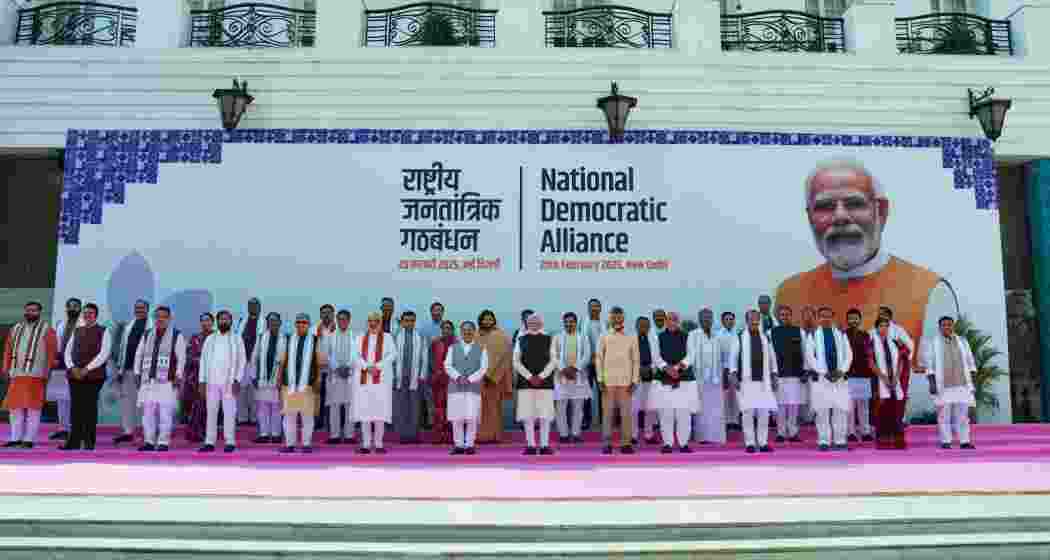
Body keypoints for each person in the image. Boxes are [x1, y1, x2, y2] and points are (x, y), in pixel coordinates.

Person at [775, 158, 957, 369]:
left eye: (854, 204)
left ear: (881, 211)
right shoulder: (788, 294)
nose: (840, 217)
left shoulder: (931, 293)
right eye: (825, 207)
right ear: (809, 217)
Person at [2, 302, 58, 449]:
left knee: (33, 408)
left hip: (36, 374)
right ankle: (15, 438)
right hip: (17, 373)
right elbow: (8, 350)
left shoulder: (47, 330)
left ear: (39, 313)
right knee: (15, 408)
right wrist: (5, 368)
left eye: (34, 311)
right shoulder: (16, 328)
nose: (30, 313)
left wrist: (47, 372)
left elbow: (52, 352)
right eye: (28, 310)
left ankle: (29, 439)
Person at [133, 306, 186, 452]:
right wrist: (137, 373)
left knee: (165, 413)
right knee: (147, 413)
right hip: (148, 380)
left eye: (164, 316)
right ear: (154, 318)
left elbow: (182, 358)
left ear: (169, 319)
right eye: (158, 316)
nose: (160, 319)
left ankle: (163, 442)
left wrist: (179, 375)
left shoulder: (176, 335)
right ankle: (149, 441)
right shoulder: (147, 334)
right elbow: (139, 354)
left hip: (167, 381)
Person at [60, 303, 111, 451]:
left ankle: (89, 442)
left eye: (91, 313)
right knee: (75, 409)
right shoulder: (77, 331)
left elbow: (104, 353)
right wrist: (72, 368)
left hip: (94, 376)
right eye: (85, 312)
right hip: (74, 375)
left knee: (89, 408)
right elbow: (67, 352)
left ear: (96, 315)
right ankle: (73, 442)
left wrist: (86, 369)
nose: (87, 315)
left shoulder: (104, 331)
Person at [923, 316, 977, 450]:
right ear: (939, 327)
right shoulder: (933, 343)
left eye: (949, 325)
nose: (947, 327)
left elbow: (970, 362)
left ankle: (964, 441)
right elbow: (929, 365)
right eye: (944, 325)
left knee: (963, 415)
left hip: (962, 383)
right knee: (943, 415)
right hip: (943, 385)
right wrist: (932, 383)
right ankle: (946, 441)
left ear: (953, 326)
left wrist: (972, 381)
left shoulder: (962, 341)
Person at [198, 310, 247, 453]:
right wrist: (202, 381)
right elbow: (203, 361)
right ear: (217, 322)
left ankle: (230, 441)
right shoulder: (210, 339)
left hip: (229, 383)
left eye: (226, 319)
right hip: (211, 382)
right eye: (221, 319)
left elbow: (242, 361)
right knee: (211, 412)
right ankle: (209, 442)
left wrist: (238, 379)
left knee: (229, 413)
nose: (223, 322)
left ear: (231, 321)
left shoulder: (237, 339)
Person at [806, 307, 854, 451]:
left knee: (840, 410)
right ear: (818, 318)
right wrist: (823, 372)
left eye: (828, 316)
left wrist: (842, 370)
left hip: (839, 378)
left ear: (833, 317)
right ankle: (824, 441)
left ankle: (840, 441)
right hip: (822, 379)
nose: (825, 319)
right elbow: (810, 356)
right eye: (822, 316)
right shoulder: (813, 335)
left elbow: (849, 354)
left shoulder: (841, 334)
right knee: (822, 411)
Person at [731, 310, 779, 453]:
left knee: (764, 413)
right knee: (748, 413)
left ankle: (763, 443)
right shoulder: (739, 337)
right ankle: (750, 443)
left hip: (764, 382)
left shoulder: (766, 337)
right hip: (746, 382)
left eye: (757, 319)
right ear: (746, 320)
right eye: (751, 319)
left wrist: (774, 374)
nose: (754, 321)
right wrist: (733, 375)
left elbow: (772, 358)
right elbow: (733, 358)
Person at [279, 313, 327, 453]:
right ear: (295, 324)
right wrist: (278, 378)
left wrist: (318, 379)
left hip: (308, 384)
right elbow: (282, 361)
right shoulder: (288, 339)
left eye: (304, 322)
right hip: (290, 384)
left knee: (307, 416)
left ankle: (306, 444)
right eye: (299, 322)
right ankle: (290, 444)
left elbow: (320, 362)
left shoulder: (316, 340)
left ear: (308, 325)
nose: (301, 325)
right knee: (289, 416)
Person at [652, 312, 698, 453]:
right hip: (664, 378)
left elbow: (691, 355)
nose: (672, 322)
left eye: (675, 319)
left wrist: (677, 368)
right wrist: (667, 368)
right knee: (666, 413)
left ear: (678, 321)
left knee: (683, 413)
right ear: (665, 321)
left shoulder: (687, 336)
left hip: (684, 379)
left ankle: (683, 444)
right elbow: (656, 356)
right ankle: (668, 444)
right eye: (670, 319)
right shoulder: (658, 337)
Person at [596, 306, 639, 455]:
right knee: (607, 413)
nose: (616, 319)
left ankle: (626, 443)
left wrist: (634, 380)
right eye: (613, 316)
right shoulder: (603, 336)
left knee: (626, 413)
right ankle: (606, 443)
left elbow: (635, 360)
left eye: (619, 316)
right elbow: (599, 359)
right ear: (609, 318)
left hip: (626, 381)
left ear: (623, 318)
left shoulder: (632, 336)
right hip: (607, 381)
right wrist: (600, 379)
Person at [353, 311, 396, 454]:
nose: (373, 323)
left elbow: (392, 355)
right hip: (364, 380)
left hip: (381, 381)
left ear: (380, 322)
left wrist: (377, 367)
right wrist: (366, 366)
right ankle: (365, 444)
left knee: (379, 413)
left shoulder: (388, 338)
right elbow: (354, 356)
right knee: (365, 413)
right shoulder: (360, 338)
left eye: (376, 321)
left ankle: (378, 444)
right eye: (370, 320)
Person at [514, 314, 557, 455]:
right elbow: (516, 361)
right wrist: (529, 377)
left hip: (545, 383)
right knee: (528, 416)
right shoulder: (520, 339)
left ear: (541, 323)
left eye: (536, 322)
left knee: (545, 416)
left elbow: (553, 360)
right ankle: (531, 445)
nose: (534, 324)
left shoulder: (549, 339)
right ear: (526, 324)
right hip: (526, 383)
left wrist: (541, 376)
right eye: (531, 322)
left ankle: (545, 446)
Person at [111, 299, 151, 445]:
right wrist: (119, 369)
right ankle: (128, 432)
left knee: (143, 403)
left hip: (144, 371)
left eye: (142, 308)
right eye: (137, 308)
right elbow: (121, 348)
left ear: (148, 309)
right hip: (126, 369)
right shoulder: (128, 326)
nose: (139, 310)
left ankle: (144, 432)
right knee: (127, 401)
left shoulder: (151, 326)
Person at [445, 320, 487, 455]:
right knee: (456, 417)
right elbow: (447, 365)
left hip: (473, 388)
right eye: (464, 329)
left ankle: (469, 445)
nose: (467, 332)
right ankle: (458, 445)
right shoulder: (452, 348)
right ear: (461, 332)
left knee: (472, 417)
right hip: (455, 387)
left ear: (474, 332)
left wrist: (470, 379)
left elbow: (483, 368)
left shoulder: (482, 349)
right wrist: (458, 377)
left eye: (470, 329)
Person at [46, 297, 82, 441]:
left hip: (77, 364)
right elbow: (56, 344)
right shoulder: (60, 324)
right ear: (66, 309)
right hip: (61, 364)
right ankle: (63, 429)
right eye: (70, 306)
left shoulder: (84, 324)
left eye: (75, 306)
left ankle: (76, 429)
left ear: (80, 308)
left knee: (77, 398)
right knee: (62, 398)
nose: (72, 309)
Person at [770, 305, 806, 443]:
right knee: (780, 405)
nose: (784, 317)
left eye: (787, 314)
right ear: (778, 317)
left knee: (793, 405)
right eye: (782, 315)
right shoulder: (771, 332)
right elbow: (770, 355)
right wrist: (772, 374)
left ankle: (793, 433)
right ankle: (780, 433)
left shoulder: (799, 331)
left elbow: (804, 352)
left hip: (796, 373)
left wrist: (805, 371)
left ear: (791, 316)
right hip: (779, 374)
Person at [870, 316, 908, 449]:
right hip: (880, 381)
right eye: (881, 326)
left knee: (896, 412)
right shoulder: (871, 342)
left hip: (895, 380)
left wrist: (896, 377)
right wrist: (883, 377)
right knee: (882, 412)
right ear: (876, 328)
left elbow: (902, 360)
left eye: (886, 326)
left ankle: (898, 442)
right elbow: (871, 363)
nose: (884, 328)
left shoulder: (896, 342)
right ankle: (883, 442)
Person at [553, 312, 590, 444]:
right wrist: (563, 369)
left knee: (578, 408)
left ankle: (576, 434)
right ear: (563, 322)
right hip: (561, 377)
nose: (569, 324)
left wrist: (575, 368)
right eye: (567, 321)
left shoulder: (583, 337)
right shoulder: (557, 337)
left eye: (572, 321)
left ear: (576, 322)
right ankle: (563, 434)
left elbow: (587, 355)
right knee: (560, 407)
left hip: (578, 376)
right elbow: (554, 356)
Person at [476, 310, 512, 444]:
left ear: (494, 320)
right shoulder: (475, 335)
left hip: (495, 380)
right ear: (481, 320)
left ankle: (494, 436)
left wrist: (492, 376)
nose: (487, 321)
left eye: (490, 319)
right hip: (478, 378)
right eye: (485, 319)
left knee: (494, 408)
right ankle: (479, 436)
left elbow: (506, 358)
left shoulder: (502, 336)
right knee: (480, 408)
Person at [250, 312, 286, 444]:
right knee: (262, 408)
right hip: (262, 379)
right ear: (267, 323)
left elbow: (286, 361)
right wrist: (253, 375)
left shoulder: (285, 338)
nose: (273, 323)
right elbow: (254, 357)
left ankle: (276, 434)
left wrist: (284, 379)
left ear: (280, 323)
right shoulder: (261, 337)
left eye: (275, 321)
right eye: (270, 321)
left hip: (277, 379)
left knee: (277, 408)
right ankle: (264, 434)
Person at [393, 310, 427, 444]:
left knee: (415, 406)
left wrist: (422, 374)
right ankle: (403, 435)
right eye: (406, 320)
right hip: (399, 377)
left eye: (412, 320)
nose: (409, 323)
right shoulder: (396, 336)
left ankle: (414, 435)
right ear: (402, 322)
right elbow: (392, 357)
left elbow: (424, 357)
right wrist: (394, 375)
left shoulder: (420, 336)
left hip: (415, 377)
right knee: (401, 406)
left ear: (415, 322)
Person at [691, 309, 725, 445]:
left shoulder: (717, 336)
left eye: (709, 317)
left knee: (716, 408)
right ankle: (702, 436)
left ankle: (715, 436)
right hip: (699, 378)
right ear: (699, 319)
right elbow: (690, 356)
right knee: (701, 409)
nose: (707, 320)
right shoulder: (693, 335)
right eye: (704, 317)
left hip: (715, 379)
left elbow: (722, 357)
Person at [325, 309, 356, 445]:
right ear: (336, 320)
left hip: (350, 375)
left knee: (350, 406)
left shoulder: (355, 336)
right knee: (334, 406)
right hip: (335, 375)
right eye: (340, 319)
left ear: (349, 320)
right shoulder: (330, 336)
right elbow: (328, 355)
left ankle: (349, 436)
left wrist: (348, 367)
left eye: (345, 319)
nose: (342, 321)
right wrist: (337, 368)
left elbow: (356, 355)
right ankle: (334, 436)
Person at [181, 313, 212, 444]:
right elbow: (188, 355)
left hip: (213, 376)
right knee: (197, 405)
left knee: (210, 407)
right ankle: (195, 433)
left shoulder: (217, 337)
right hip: (196, 377)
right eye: (203, 321)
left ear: (212, 322)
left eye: (208, 320)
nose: (205, 323)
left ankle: (208, 434)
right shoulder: (195, 338)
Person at [844, 308, 875, 443]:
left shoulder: (865, 335)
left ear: (860, 320)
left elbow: (869, 355)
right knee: (850, 406)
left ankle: (865, 432)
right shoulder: (843, 335)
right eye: (850, 318)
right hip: (848, 375)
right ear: (847, 320)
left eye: (856, 318)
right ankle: (850, 432)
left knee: (864, 405)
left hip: (864, 374)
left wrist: (870, 372)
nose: (853, 321)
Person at [234, 297, 263, 426]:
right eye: (250, 305)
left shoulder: (264, 323)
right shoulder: (241, 322)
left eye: (255, 306)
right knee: (241, 391)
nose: (253, 308)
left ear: (259, 308)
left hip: (255, 361)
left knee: (254, 391)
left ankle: (254, 418)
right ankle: (242, 418)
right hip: (242, 360)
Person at [418, 301, 446, 432]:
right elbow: (421, 350)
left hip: (445, 370)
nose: (437, 312)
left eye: (439, 310)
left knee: (443, 398)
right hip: (429, 368)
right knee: (429, 398)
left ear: (443, 312)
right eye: (435, 310)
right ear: (431, 312)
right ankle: (430, 423)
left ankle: (444, 424)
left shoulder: (447, 327)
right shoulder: (424, 329)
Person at [428, 320, 456, 445]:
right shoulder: (435, 343)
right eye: (444, 328)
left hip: (452, 380)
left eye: (449, 328)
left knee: (452, 409)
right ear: (441, 329)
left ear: (452, 330)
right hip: (438, 380)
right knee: (438, 409)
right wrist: (434, 373)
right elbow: (430, 360)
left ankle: (451, 437)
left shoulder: (457, 344)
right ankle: (437, 436)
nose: (446, 330)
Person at [631, 316, 657, 444]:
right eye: (641, 325)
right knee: (634, 409)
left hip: (650, 377)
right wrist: (638, 369)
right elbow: (627, 358)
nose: (643, 328)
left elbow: (657, 357)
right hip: (635, 378)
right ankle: (633, 435)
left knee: (650, 408)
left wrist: (650, 368)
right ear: (636, 326)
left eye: (646, 325)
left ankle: (649, 435)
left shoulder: (654, 339)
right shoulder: (630, 339)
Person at [581, 298, 604, 431]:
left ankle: (603, 420)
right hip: (587, 363)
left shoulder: (605, 323)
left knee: (603, 392)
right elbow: (581, 341)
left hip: (602, 363)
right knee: (586, 392)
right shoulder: (583, 323)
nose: (594, 309)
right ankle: (586, 420)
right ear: (588, 308)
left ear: (600, 309)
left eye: (596, 306)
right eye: (592, 307)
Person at [717, 312, 742, 431]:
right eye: (727, 319)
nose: (730, 321)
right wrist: (723, 370)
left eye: (731, 319)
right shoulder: (718, 335)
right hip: (724, 369)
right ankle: (726, 421)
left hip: (736, 370)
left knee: (736, 396)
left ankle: (735, 421)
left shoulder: (738, 334)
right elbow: (718, 356)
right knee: (725, 397)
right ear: (722, 321)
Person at [314, 304, 337, 431]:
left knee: (332, 398)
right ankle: (319, 422)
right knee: (319, 397)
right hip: (318, 370)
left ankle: (330, 425)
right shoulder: (315, 330)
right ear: (320, 315)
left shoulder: (337, 329)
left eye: (329, 312)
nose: (326, 315)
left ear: (333, 314)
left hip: (333, 370)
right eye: (324, 312)